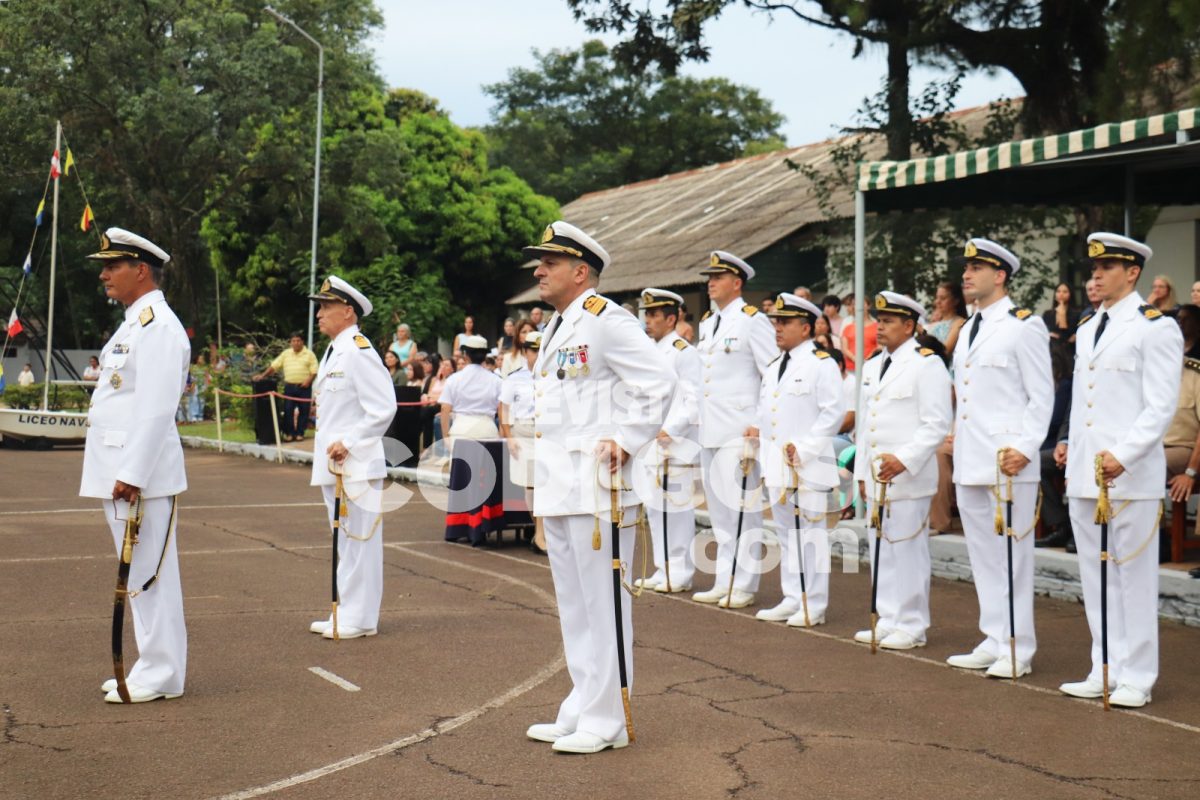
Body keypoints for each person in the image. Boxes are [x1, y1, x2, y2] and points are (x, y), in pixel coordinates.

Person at [522, 221, 670, 755]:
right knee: (575, 605)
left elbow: (658, 383)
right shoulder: (562, 326)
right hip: (564, 486)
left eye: (550, 263)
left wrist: (627, 441)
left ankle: (607, 719)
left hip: (600, 487)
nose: (539, 270)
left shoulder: (607, 321)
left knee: (603, 604)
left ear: (580, 271)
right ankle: (584, 703)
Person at [1055, 234, 1182, 707]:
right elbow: (1084, 401)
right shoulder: (1088, 327)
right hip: (1090, 474)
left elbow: (1160, 405)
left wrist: (1124, 454)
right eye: (1094, 269)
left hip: (1129, 474)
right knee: (1096, 575)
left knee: (1133, 577)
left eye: (1107, 267)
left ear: (1132, 273)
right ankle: (1103, 665)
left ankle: (1138, 677)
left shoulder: (1155, 326)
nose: (1096, 276)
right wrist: (1070, 443)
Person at [80, 227, 190, 704]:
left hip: (138, 475)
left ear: (140, 270)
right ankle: (150, 665)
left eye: (113, 265)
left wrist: (134, 472)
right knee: (137, 573)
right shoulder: (134, 323)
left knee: (150, 574)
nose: (104, 274)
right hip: (120, 470)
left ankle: (164, 672)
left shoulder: (159, 326)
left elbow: (156, 407)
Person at [949, 237, 1053, 680]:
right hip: (972, 456)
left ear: (1001, 275)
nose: (967, 275)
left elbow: (1041, 394)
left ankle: (1017, 646)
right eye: (966, 268)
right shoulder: (969, 327)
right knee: (984, 557)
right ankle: (993, 637)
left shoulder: (1022, 325)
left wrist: (1027, 448)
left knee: (1012, 557)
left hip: (1008, 458)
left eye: (978, 268)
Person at [853, 292, 952, 649]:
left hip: (908, 474)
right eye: (879, 320)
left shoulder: (926, 364)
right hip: (878, 475)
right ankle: (887, 617)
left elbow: (937, 423)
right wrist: (862, 474)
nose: (880, 327)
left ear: (909, 326)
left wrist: (904, 459)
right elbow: (866, 426)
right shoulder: (875, 363)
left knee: (907, 551)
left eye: (889, 321)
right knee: (881, 547)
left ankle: (911, 624)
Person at [306, 276, 396, 640]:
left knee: (360, 539)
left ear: (348, 311)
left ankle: (361, 617)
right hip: (336, 466)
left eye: (326, 307)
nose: (319, 315)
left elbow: (383, 407)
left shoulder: (359, 350)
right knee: (344, 539)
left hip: (355, 463)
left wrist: (351, 442)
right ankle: (345, 610)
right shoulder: (335, 350)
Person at [748, 293, 844, 627]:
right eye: (776, 321)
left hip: (809, 465)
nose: (777, 328)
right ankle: (793, 597)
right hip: (778, 466)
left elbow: (833, 412)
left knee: (812, 536)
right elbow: (766, 415)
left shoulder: (821, 363)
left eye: (785, 323)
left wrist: (805, 448)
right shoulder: (775, 367)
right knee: (787, 534)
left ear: (805, 327)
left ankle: (813, 604)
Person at [692, 251, 777, 609]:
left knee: (744, 509)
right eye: (709, 276)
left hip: (740, 429)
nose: (710, 282)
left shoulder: (751, 320)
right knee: (721, 512)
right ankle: (724, 578)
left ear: (737, 282)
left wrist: (759, 423)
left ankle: (744, 583)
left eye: (718, 276)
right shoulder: (709, 322)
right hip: (710, 427)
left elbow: (772, 373)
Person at [637, 288, 702, 593]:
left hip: (675, 442)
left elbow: (693, 400)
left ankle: (681, 571)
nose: (647, 320)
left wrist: (671, 430)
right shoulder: (650, 351)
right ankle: (663, 568)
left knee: (677, 509)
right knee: (655, 508)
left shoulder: (682, 352)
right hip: (651, 441)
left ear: (672, 318)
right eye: (646, 314)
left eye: (653, 315)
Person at [499, 329, 546, 554]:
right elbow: (504, 407)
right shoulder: (515, 378)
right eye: (533, 351)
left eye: (540, 351)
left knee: (546, 483)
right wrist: (508, 436)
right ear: (525, 352)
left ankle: (541, 533)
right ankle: (539, 532)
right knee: (531, 483)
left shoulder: (552, 375)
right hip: (523, 432)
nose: (536, 355)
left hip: (547, 432)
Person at [254, 333, 318, 442]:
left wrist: (308, 381)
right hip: (290, 387)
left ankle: (299, 433)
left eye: (298, 340)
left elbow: (314, 370)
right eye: (293, 341)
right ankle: (290, 433)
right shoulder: (286, 354)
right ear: (290, 342)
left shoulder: (309, 354)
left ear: (302, 342)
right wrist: (262, 376)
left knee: (304, 411)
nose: (296, 343)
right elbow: (274, 366)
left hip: (304, 387)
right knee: (288, 410)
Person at [438, 334, 502, 442]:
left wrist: (445, 437)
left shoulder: (454, 379)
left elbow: (445, 408)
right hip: (487, 431)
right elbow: (502, 410)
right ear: (485, 356)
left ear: (465, 355)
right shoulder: (496, 380)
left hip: (460, 430)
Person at [927, 282, 968, 353]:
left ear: (955, 301)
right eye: (937, 297)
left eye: (943, 298)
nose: (937, 301)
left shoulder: (959, 322)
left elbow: (946, 351)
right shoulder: (935, 322)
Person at [840, 295, 878, 373]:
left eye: (862, 303)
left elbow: (880, 346)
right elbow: (844, 348)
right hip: (850, 368)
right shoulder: (848, 326)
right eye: (855, 304)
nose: (859, 306)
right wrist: (855, 359)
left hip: (870, 367)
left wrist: (866, 360)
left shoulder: (877, 326)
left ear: (868, 305)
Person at [187, 354, 209, 422]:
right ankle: (194, 415)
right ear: (197, 359)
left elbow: (206, 377)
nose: (202, 360)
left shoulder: (205, 368)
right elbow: (192, 378)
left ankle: (200, 415)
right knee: (194, 400)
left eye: (202, 359)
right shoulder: (193, 367)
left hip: (202, 385)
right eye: (200, 359)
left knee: (202, 401)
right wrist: (192, 386)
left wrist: (207, 386)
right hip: (195, 385)